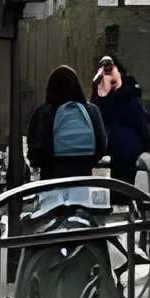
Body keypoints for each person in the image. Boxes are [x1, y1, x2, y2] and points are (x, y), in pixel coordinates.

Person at [25, 63, 105, 206]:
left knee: (50, 223)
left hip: (51, 182)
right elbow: (101, 146)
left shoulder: (43, 112)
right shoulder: (92, 111)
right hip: (84, 181)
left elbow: (34, 153)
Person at [93, 55, 150, 181]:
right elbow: (139, 123)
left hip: (111, 143)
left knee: (118, 184)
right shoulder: (128, 93)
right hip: (128, 145)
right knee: (125, 185)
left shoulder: (102, 94)